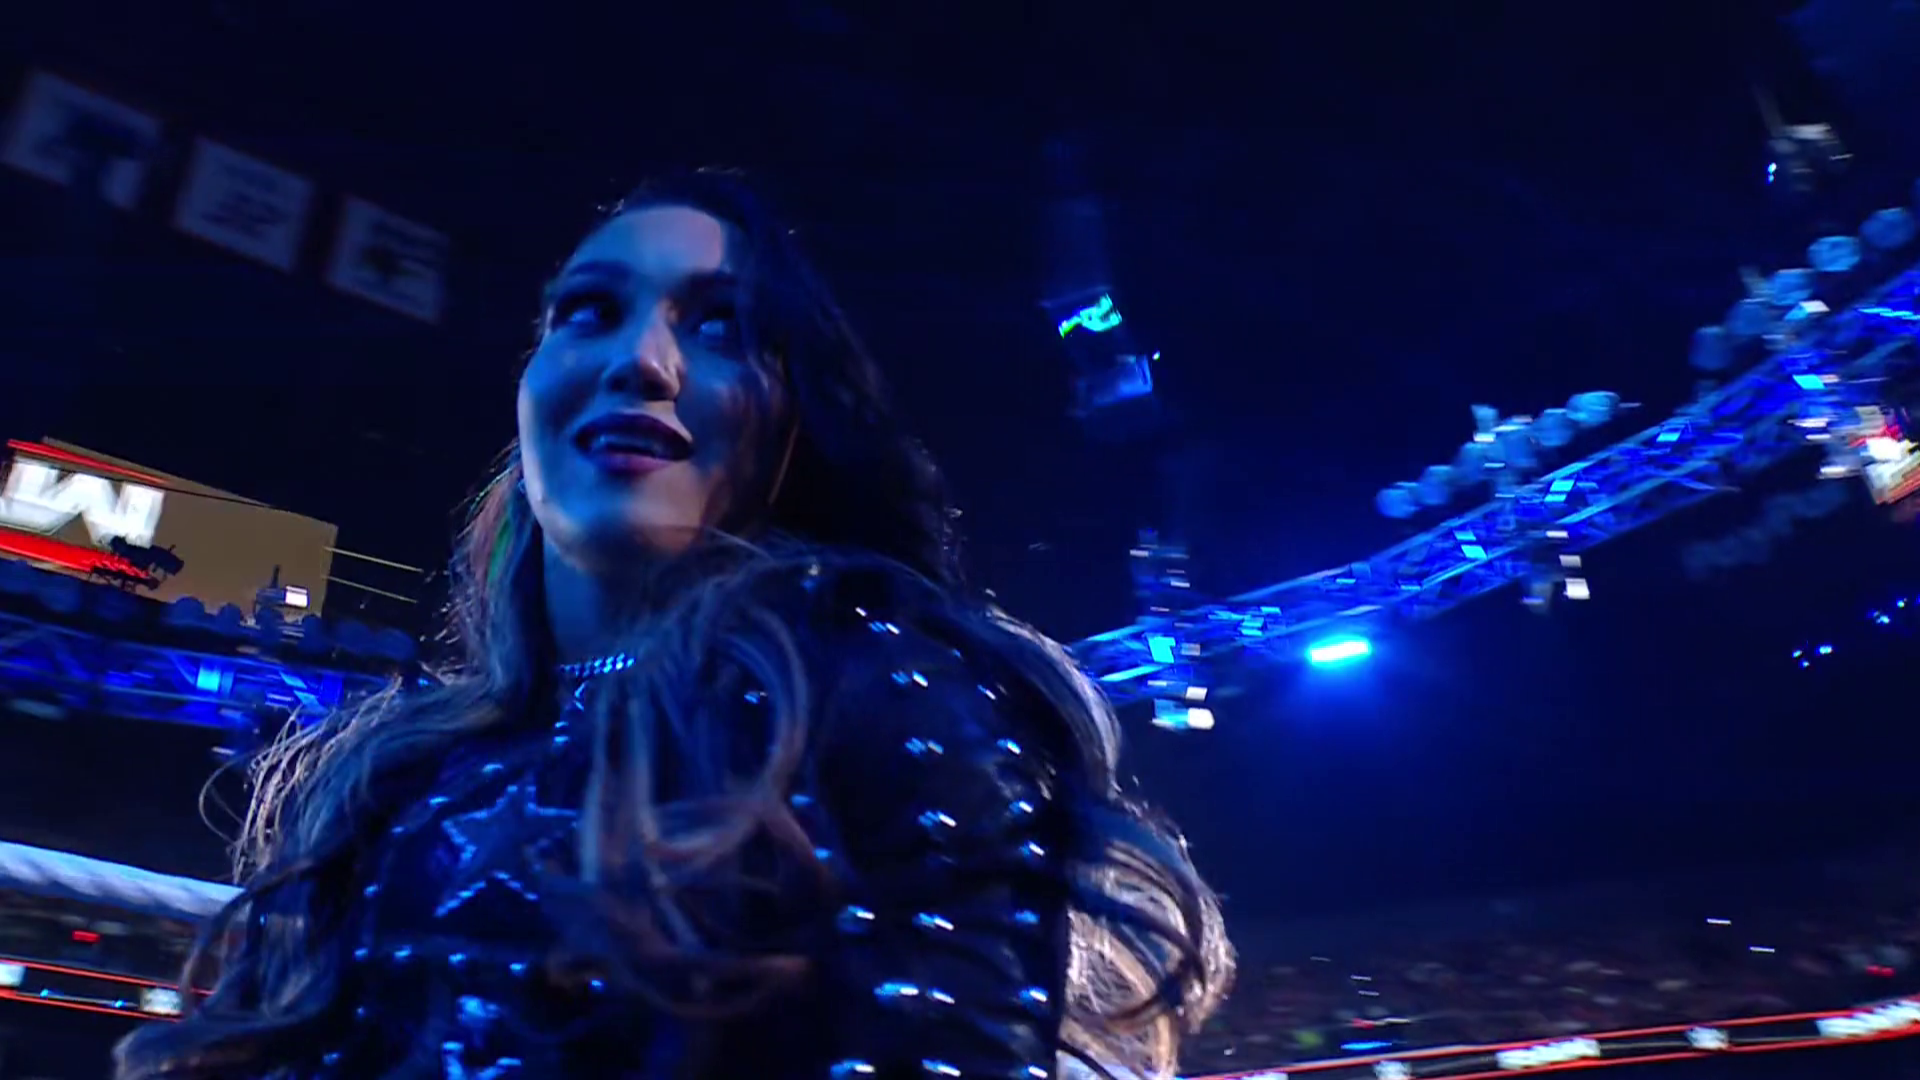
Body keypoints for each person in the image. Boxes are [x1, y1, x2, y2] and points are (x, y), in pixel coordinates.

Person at [115, 169, 1232, 1080]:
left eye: (719, 326)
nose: (640, 361)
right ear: (534, 386)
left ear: (792, 420)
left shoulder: (889, 695)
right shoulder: (399, 774)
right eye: (588, 312)